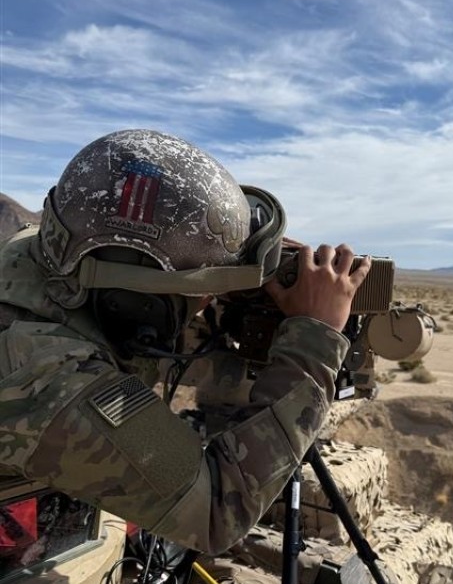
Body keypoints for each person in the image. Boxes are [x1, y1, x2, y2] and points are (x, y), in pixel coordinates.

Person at [0, 128, 371, 557]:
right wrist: (314, 339)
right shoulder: (49, 376)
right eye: (201, 292)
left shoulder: (43, 251)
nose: (207, 302)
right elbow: (214, 509)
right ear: (135, 303)